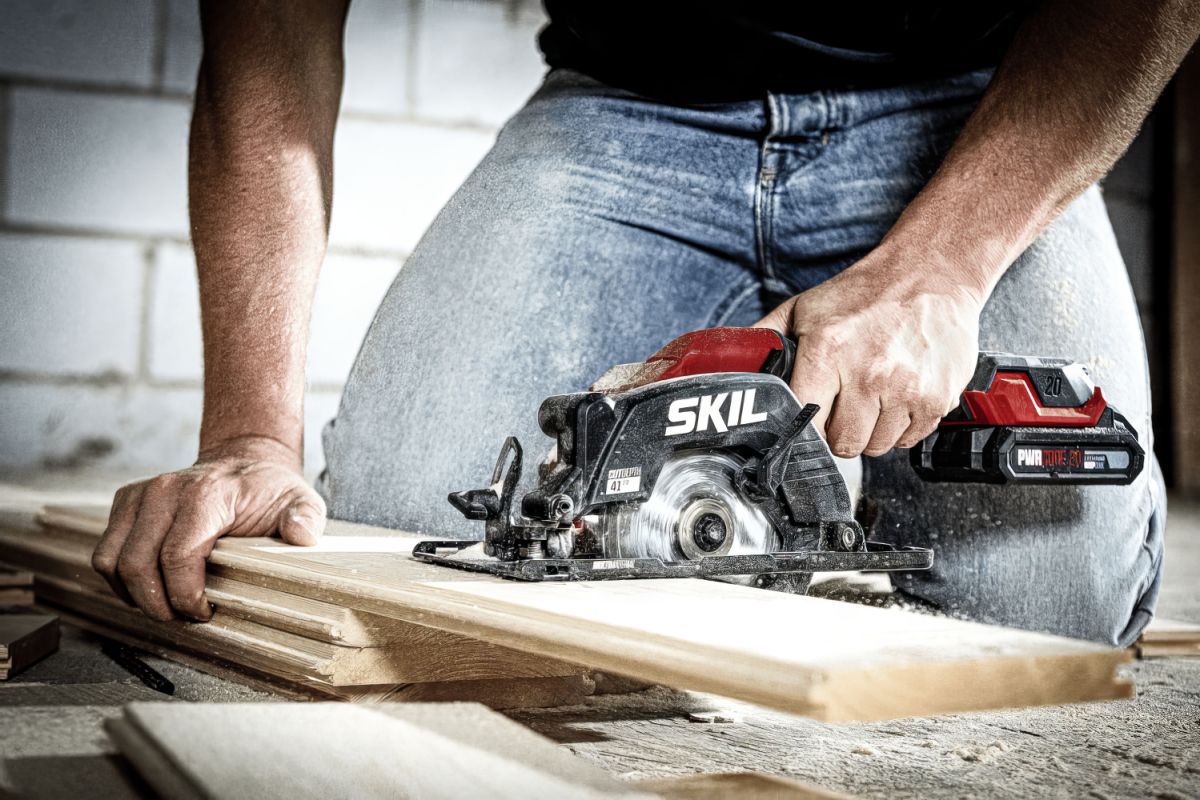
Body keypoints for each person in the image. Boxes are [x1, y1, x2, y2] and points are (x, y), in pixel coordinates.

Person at [92, 0, 1199, 646]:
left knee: (1045, 611)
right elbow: (270, 30)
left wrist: (940, 272)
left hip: (981, 106)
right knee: (409, 552)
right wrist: (250, 435)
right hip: (627, 102)